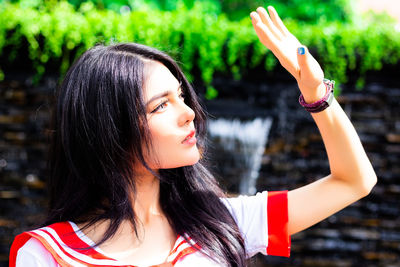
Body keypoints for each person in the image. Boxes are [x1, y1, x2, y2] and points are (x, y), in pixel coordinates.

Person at [9, 6, 377, 267]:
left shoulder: (221, 223)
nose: (190, 113)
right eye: (161, 106)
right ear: (110, 132)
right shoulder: (48, 254)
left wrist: (317, 97)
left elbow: (354, 181)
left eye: (182, 96)